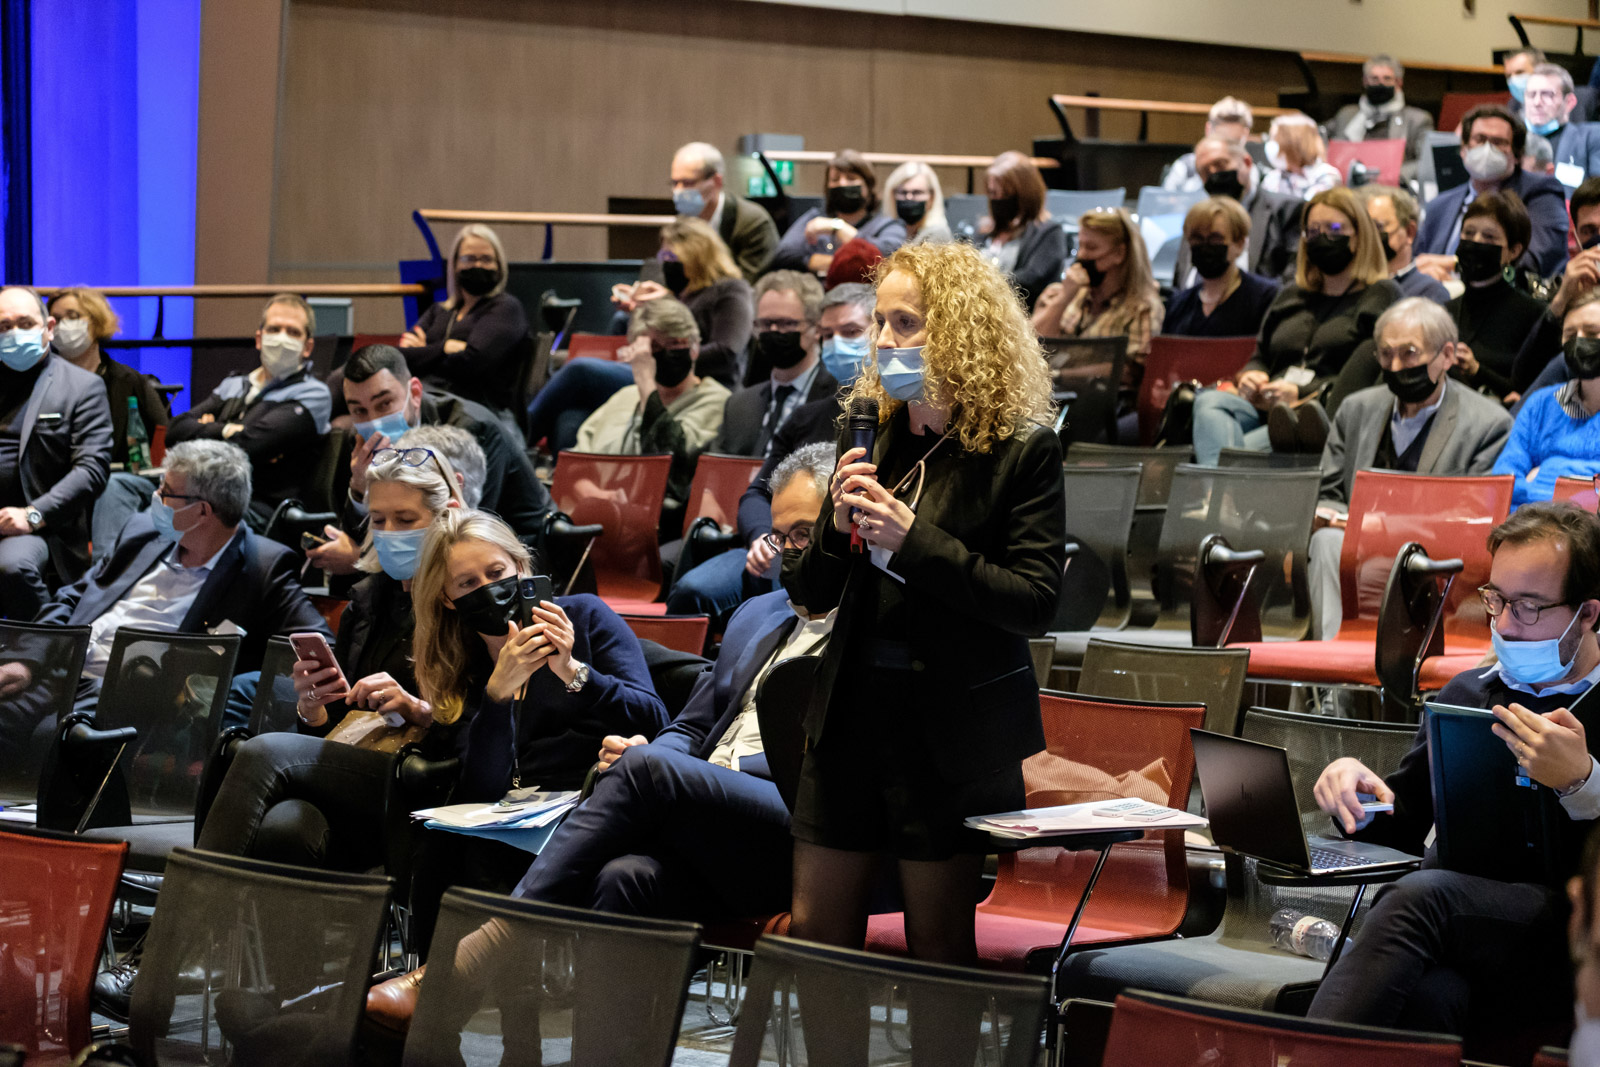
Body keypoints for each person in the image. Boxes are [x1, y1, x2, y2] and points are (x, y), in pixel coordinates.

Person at [363, 449, 838, 1032]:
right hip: (701, 828)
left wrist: (588, 692)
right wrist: (649, 758)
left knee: (640, 770)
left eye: (805, 535)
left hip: (799, 828)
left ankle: (484, 948)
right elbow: (687, 728)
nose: (787, 550)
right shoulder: (755, 616)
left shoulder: (873, 625)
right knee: (623, 877)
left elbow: (651, 712)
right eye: (779, 535)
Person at [90, 443, 469, 1018]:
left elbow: (492, 721)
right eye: (379, 520)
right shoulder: (369, 598)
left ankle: (155, 968)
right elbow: (341, 727)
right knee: (288, 826)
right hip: (362, 774)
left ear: (445, 514)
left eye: (406, 520)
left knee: (264, 753)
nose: (389, 532)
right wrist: (315, 709)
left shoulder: (471, 590)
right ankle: (279, 1012)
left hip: (434, 781)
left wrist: (420, 708)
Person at [787, 240, 1066, 968]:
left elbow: (1033, 602)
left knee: (937, 946)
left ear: (960, 330)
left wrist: (914, 542)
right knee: (818, 935)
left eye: (904, 322)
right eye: (880, 321)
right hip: (849, 717)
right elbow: (812, 595)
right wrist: (833, 527)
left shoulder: (1020, 451)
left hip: (949, 734)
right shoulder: (870, 433)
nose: (883, 339)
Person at [1307, 502, 1600, 1052]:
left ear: (1587, 614)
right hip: (1466, 927)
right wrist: (1355, 792)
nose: (1506, 624)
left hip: (1569, 925)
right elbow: (1405, 817)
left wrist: (1583, 782)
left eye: (1530, 607)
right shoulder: (1471, 693)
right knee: (1432, 997)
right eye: (1497, 600)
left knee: (1421, 898)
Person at [23, 440, 328, 748]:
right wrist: (27, 660)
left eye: (166, 492)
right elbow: (74, 597)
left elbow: (322, 646)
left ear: (202, 511)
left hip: (131, 696)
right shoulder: (141, 532)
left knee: (48, 741)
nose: (155, 498)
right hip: (59, 670)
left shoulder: (263, 565)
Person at [1308, 298, 1513, 639]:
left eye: (1410, 353)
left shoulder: (1489, 424)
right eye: (1386, 354)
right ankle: (1333, 679)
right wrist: (1334, 517)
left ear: (1446, 356)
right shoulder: (1356, 409)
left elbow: (1474, 518)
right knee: (1327, 543)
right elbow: (1329, 493)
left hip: (1434, 559)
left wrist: (1382, 526)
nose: (1396, 365)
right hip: (1357, 552)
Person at [666, 283, 871, 619]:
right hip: (783, 543)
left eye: (851, 332)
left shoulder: (904, 417)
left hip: (846, 551)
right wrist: (763, 537)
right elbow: (757, 493)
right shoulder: (806, 417)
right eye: (828, 335)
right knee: (694, 590)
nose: (837, 344)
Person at [1191, 186, 1400, 465]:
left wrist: (1301, 391)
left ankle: (1217, 495)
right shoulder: (1291, 295)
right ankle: (1224, 496)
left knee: (1232, 452)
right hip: (1265, 405)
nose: (1322, 238)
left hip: (1318, 415)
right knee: (1207, 403)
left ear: (1360, 236)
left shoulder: (1380, 295)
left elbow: (1369, 377)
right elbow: (1260, 357)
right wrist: (1254, 377)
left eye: (1335, 228)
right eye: (1312, 232)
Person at [306, 344, 550, 578]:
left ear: (414, 394)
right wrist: (360, 490)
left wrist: (364, 559)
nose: (374, 421)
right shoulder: (361, 440)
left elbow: (465, 529)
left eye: (384, 404)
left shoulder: (469, 431)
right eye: (359, 410)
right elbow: (352, 535)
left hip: (516, 551)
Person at [165, 293, 331, 528]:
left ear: (307, 347)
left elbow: (251, 446)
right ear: (259, 339)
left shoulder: (314, 393)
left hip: (259, 508)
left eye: (293, 332)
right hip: (202, 495)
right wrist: (228, 430)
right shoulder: (233, 384)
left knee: (167, 521)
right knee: (123, 486)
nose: (282, 339)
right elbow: (175, 431)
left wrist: (206, 428)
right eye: (274, 329)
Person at [0, 285, 111, 619]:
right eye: (4, 327)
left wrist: (32, 515)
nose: (14, 333)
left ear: (48, 329)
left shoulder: (81, 387)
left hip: (41, 527)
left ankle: (53, 653)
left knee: (12, 566)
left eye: (25, 323)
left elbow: (92, 470)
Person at [572, 296, 730, 531]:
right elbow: (575, 464)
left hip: (658, 526)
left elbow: (671, 459)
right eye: (653, 347)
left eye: (675, 343)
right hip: (596, 520)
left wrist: (646, 384)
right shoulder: (624, 397)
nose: (664, 353)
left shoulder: (717, 401)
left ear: (694, 347)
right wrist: (591, 493)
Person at [1414, 105, 1571, 278]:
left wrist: (1458, 264)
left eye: (1498, 142)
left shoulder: (1542, 193)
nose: (1487, 148)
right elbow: (1418, 261)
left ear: (1517, 155)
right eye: (1479, 139)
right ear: (1463, 149)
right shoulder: (1440, 205)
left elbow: (1533, 262)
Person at [399, 223, 529, 416]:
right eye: (469, 258)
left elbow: (473, 362)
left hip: (479, 411)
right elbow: (403, 355)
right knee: (350, 415)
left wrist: (424, 352)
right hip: (431, 400)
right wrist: (445, 348)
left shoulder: (505, 308)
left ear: (499, 266)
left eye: (486, 259)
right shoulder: (440, 310)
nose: (478, 266)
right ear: (455, 265)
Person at [610, 216, 752, 388]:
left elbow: (726, 352)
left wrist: (659, 357)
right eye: (663, 257)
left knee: (580, 369)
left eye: (671, 257)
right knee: (621, 320)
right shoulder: (677, 293)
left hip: (702, 382)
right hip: (660, 377)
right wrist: (641, 309)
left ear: (697, 257)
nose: (666, 264)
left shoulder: (730, 289)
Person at [711, 271, 835, 459]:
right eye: (766, 324)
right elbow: (715, 471)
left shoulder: (838, 398)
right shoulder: (739, 405)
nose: (774, 332)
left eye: (787, 324)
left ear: (816, 329)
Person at [1493, 290, 1600, 506]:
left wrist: (1547, 473)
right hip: (1536, 531)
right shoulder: (1542, 403)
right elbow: (1502, 483)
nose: (1578, 341)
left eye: (1591, 332)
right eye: (1570, 335)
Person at [1031, 207, 1164, 380]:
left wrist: (1062, 376)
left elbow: (1131, 371)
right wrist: (1063, 299)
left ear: (1119, 253)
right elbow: (1029, 346)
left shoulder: (1142, 307)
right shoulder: (1066, 294)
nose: (1082, 255)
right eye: (1080, 246)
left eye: (1091, 248)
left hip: (1103, 402)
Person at [1442, 191, 1548, 400]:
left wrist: (1477, 370)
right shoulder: (1444, 311)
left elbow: (1528, 392)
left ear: (1514, 251)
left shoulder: (1533, 315)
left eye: (1489, 237)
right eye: (1468, 233)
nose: (1475, 242)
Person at [46, 287, 168, 467]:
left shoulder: (128, 381)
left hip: (115, 480)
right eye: (56, 319)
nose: (62, 325)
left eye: (72, 316)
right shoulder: (41, 380)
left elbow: (164, 433)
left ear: (97, 322)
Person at [1172, 137, 1302, 283]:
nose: (1214, 174)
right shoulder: (1197, 219)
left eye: (1220, 164)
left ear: (1246, 163)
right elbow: (1180, 279)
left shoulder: (1286, 210)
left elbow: (1293, 280)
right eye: (1205, 171)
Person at [1513, 179, 1600, 395]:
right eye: (1589, 230)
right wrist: (1562, 299)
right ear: (1576, 239)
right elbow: (1523, 378)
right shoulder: (1561, 290)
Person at [768, 150, 906, 277]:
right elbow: (783, 254)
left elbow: (886, 257)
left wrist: (838, 227)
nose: (843, 184)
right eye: (835, 179)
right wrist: (837, 263)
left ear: (868, 186)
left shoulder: (888, 225)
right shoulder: (815, 218)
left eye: (851, 178)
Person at [1162, 195, 1280, 337]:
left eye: (1215, 239)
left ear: (1239, 244)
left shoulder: (1265, 298)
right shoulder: (1178, 306)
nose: (1205, 246)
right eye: (1197, 238)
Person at [669, 140, 779, 283]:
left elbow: (746, 286)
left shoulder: (752, 222)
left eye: (688, 183)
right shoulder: (685, 220)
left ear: (716, 182)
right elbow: (670, 270)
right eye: (675, 183)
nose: (679, 191)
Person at [976, 151, 1067, 310]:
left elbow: (1031, 279)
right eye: (993, 193)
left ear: (1025, 194)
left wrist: (979, 286)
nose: (999, 200)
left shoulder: (1049, 232)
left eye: (1006, 193)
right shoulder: (985, 231)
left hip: (1022, 317)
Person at [1326, 54, 1436, 181]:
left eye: (1387, 78)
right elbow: (1318, 138)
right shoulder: (1347, 114)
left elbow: (1427, 161)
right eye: (1374, 79)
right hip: (1348, 184)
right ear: (1365, 81)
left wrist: (1394, 175)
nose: (1380, 83)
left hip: (1393, 186)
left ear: (1399, 82)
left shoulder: (1417, 120)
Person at [1357, 184, 1451, 304]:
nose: (1367, 236)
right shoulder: (1350, 286)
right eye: (1361, 228)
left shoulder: (1429, 293)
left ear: (1409, 232)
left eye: (1377, 227)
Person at [1523, 63, 1600, 189]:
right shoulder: (1513, 140)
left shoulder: (1591, 137)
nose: (1537, 102)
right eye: (1531, 95)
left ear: (1569, 102)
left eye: (1547, 94)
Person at [1162, 97, 1256, 192]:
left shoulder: (1254, 175)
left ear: (1246, 136)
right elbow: (1165, 202)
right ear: (1208, 130)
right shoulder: (1184, 168)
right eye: (1220, 141)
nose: (1225, 154)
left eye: (1234, 144)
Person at [1260, 113, 1343, 200]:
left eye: (1275, 139)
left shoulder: (1327, 176)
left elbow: (1307, 209)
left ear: (1294, 144)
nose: (1270, 145)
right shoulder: (1273, 177)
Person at [882, 161, 952, 245]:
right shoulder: (889, 231)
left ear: (932, 197)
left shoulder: (938, 234)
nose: (909, 198)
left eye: (917, 192)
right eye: (903, 192)